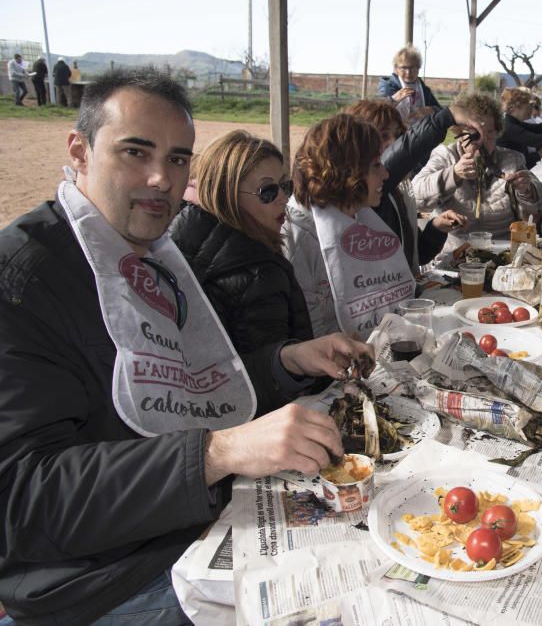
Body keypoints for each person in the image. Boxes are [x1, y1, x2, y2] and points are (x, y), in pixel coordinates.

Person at [0, 69, 371, 624]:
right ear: (79, 151)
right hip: (103, 583)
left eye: (177, 159)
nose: (160, 179)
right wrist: (216, 454)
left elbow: (191, 387)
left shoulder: (155, 254)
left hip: (204, 523)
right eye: (135, 152)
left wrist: (286, 360)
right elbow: (22, 500)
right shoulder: (22, 278)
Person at [169, 130, 318, 406]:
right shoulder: (260, 271)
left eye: (285, 186)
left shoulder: (177, 237)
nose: (283, 199)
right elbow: (271, 386)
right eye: (267, 191)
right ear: (227, 194)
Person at [284, 113, 416, 339]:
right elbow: (312, 335)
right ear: (347, 173)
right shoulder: (296, 239)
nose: (385, 174)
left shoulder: (358, 214)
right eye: (376, 165)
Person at [411, 92, 542, 257]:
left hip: (502, 252)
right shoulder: (446, 156)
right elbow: (415, 197)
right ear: (460, 131)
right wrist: (453, 174)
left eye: (489, 132)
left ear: (498, 131)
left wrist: (527, 190)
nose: (482, 141)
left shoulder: (511, 159)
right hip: (455, 253)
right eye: (475, 133)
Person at [342, 100, 472, 272]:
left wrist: (436, 228)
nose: (393, 142)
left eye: (399, 135)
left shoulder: (399, 191)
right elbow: (397, 157)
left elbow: (417, 255)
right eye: (383, 136)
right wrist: (444, 118)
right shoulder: (360, 193)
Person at [376, 44, 441, 124]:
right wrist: (393, 100)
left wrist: (431, 110)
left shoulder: (423, 89)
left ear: (418, 69)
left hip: (420, 132)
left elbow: (440, 110)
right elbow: (377, 112)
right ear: (396, 69)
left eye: (412, 68)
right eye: (403, 68)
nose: (408, 72)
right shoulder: (387, 85)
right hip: (394, 133)